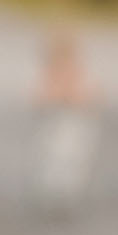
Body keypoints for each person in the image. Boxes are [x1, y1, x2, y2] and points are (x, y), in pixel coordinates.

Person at [31, 28, 100, 216]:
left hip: (74, 125)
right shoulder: (49, 75)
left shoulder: (80, 75)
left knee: (73, 161)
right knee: (53, 161)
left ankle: (68, 195)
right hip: (54, 126)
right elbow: (39, 100)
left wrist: (72, 95)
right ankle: (53, 196)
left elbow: (90, 98)